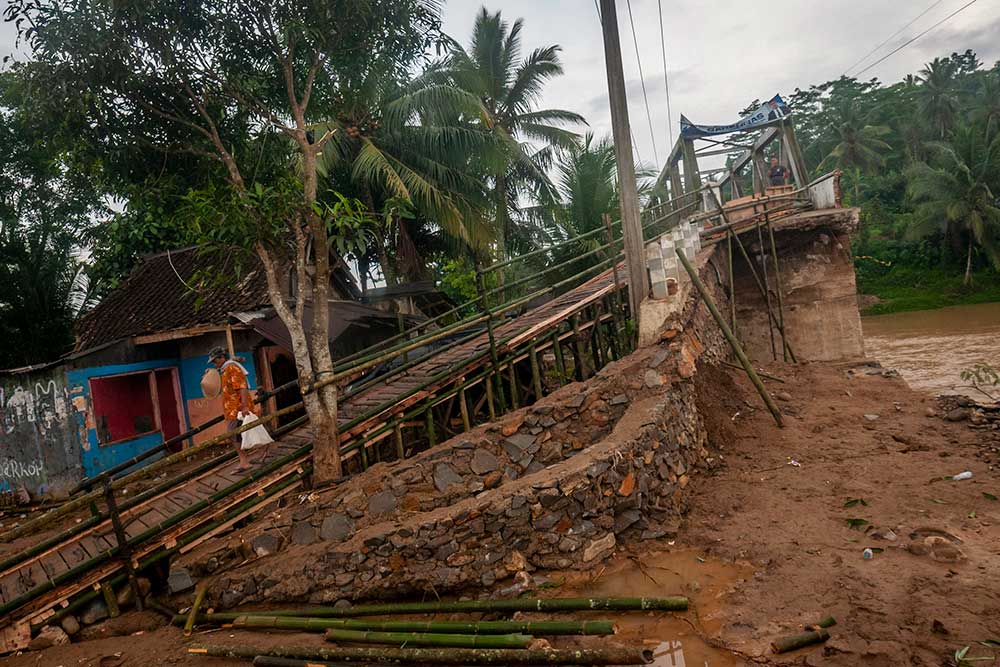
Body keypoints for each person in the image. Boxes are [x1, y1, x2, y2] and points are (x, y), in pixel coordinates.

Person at [209, 346, 254, 471]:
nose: (214, 363)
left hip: (237, 408)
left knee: (234, 434)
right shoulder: (225, 369)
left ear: (222, 358)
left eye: (215, 360)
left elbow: (242, 387)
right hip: (232, 408)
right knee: (245, 432)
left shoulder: (232, 368)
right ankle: (248, 458)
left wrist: (244, 406)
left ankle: (244, 460)